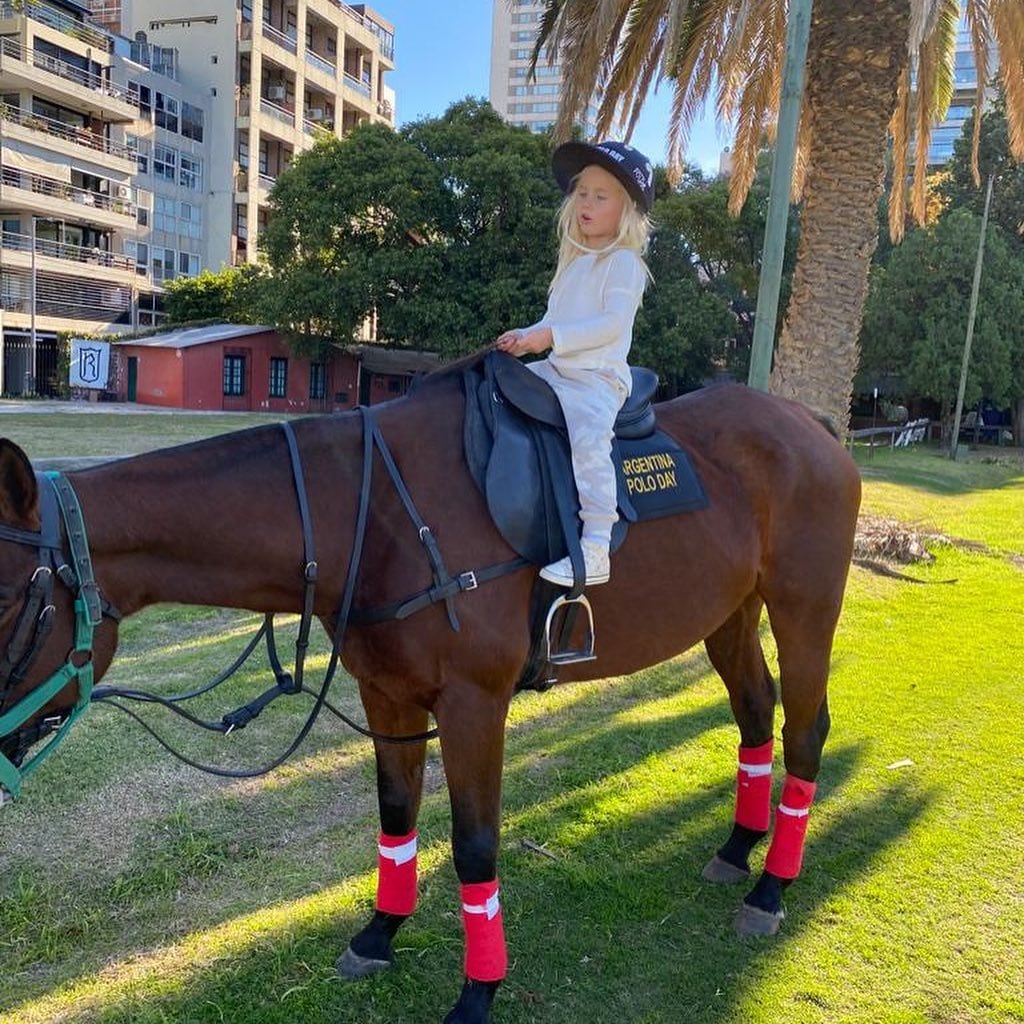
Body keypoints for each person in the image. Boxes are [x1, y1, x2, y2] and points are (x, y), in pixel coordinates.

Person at [495, 140, 654, 586]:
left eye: (601, 196)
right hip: (558, 371)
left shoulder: (623, 263)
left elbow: (610, 324)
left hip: (595, 381)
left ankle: (597, 543)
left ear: (625, 211)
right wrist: (528, 339)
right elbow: (554, 320)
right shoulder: (574, 263)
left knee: (588, 439)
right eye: (582, 192)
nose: (587, 203)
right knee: (498, 392)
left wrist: (550, 337)